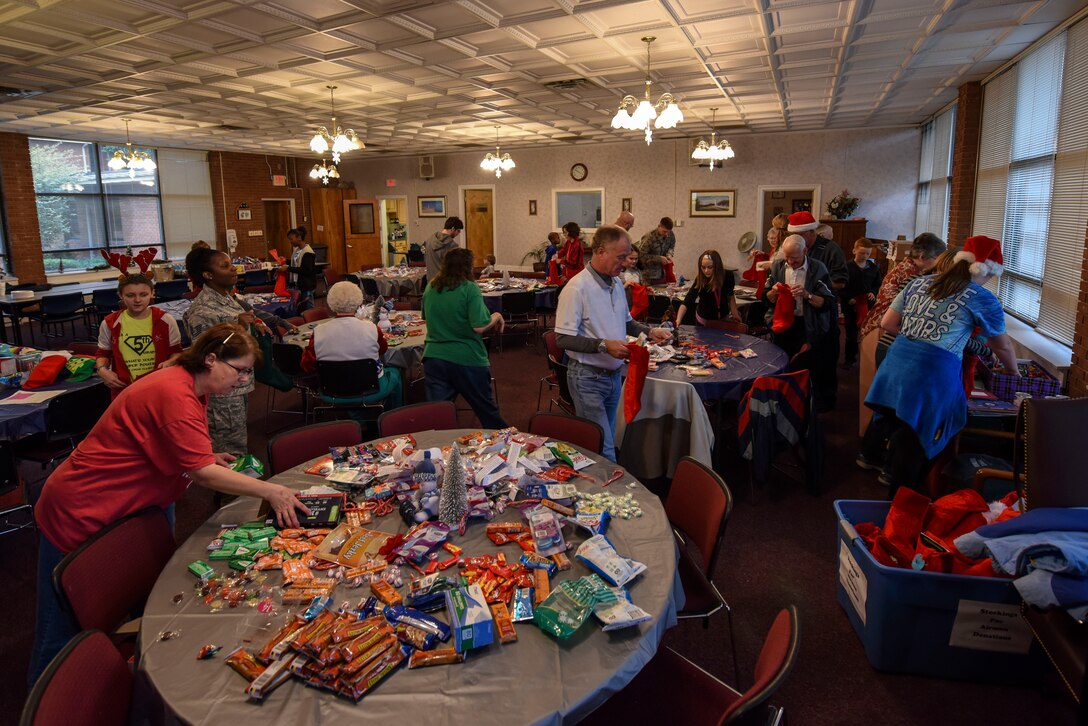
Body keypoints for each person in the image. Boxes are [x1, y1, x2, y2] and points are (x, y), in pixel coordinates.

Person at [29, 322, 310, 686]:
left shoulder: (192, 382)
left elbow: (181, 448)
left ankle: (142, 676)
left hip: (132, 505)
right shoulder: (174, 393)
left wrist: (205, 455)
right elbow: (203, 474)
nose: (243, 381)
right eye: (239, 370)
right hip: (84, 507)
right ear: (210, 359)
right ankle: (45, 704)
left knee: (143, 594)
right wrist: (272, 491)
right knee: (60, 632)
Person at [859, 235, 1019, 489]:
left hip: (894, 368)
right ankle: (902, 508)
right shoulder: (982, 297)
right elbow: (1002, 345)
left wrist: (919, 335)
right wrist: (1012, 370)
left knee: (902, 434)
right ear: (984, 271)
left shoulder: (919, 283)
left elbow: (888, 324)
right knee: (917, 448)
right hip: (931, 376)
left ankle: (895, 494)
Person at [555, 225, 672, 462]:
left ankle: (599, 491)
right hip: (587, 378)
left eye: (627, 256)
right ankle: (610, 495)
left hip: (613, 375)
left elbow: (627, 322)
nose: (627, 263)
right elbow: (562, 339)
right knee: (603, 448)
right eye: (620, 257)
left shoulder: (616, 283)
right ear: (599, 251)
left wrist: (650, 331)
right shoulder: (576, 288)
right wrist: (603, 345)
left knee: (605, 442)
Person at [183, 247, 295, 455]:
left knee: (237, 441)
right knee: (229, 449)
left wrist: (253, 326)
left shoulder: (227, 298)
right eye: (225, 266)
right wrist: (238, 326)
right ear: (208, 275)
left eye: (231, 263)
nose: (233, 269)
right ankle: (228, 487)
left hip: (237, 383)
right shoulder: (202, 310)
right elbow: (204, 354)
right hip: (221, 389)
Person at [857, 232, 947, 435]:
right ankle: (875, 447)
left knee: (885, 398)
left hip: (882, 331)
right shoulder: (914, 276)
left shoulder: (909, 269)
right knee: (889, 401)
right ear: (923, 256)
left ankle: (872, 447)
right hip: (885, 334)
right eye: (937, 259)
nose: (939, 265)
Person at [422, 247, 507, 429]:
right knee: (487, 412)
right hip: (466, 358)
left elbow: (425, 317)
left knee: (437, 416)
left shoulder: (431, 287)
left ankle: (437, 452)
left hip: (434, 357)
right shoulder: (470, 289)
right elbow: (479, 325)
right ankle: (510, 449)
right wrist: (497, 315)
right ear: (468, 266)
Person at [763, 236, 838, 410]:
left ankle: (805, 405)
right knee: (781, 363)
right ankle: (782, 401)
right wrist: (773, 293)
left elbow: (828, 302)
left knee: (807, 366)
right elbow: (765, 298)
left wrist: (807, 295)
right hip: (782, 325)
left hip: (807, 325)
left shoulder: (818, 268)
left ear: (805, 251)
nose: (790, 261)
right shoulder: (778, 267)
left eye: (794, 258)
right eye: (787, 257)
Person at [301, 281, 402, 409]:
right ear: (358, 301)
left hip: (332, 389)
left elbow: (307, 365)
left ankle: (355, 418)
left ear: (331, 303)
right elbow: (383, 350)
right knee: (395, 371)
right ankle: (393, 418)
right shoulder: (371, 328)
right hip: (371, 388)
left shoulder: (318, 332)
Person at [786, 210, 845, 410]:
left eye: (801, 236)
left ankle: (824, 402)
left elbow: (841, 281)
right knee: (799, 360)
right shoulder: (793, 249)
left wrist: (813, 288)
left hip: (823, 315)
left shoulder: (830, 249)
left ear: (811, 233)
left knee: (824, 360)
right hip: (798, 316)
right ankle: (797, 398)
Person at [95, 274, 183, 399]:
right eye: (130, 295)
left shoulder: (165, 320)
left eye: (143, 294)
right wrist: (102, 371)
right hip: (124, 390)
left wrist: (170, 362)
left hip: (160, 387)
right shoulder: (110, 323)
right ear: (120, 295)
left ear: (152, 293)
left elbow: (177, 352)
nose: (137, 300)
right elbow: (103, 353)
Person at [840, 239, 883, 370]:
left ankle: (867, 359)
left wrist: (873, 292)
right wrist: (848, 298)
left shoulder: (873, 268)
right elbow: (841, 286)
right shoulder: (846, 267)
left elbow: (877, 284)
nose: (864, 256)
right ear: (854, 251)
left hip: (867, 304)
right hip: (851, 304)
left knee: (868, 332)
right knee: (851, 333)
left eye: (867, 254)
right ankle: (850, 358)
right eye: (862, 253)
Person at [676, 250, 741, 326]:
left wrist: (735, 314)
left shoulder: (728, 276)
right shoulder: (700, 279)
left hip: (723, 319)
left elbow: (730, 296)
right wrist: (678, 319)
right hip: (704, 322)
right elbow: (688, 301)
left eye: (710, 267)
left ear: (717, 266)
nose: (706, 271)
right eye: (703, 267)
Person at [281, 227, 316, 312]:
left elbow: (306, 270)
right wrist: (287, 261)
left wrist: (288, 268)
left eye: (291, 239)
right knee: (301, 307)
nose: (290, 242)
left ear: (299, 238)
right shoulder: (297, 250)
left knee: (308, 308)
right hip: (298, 284)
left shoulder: (308, 252)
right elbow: (297, 263)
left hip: (306, 285)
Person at [638, 216, 676, 283]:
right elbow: (641, 256)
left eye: (668, 232)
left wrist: (669, 254)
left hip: (663, 273)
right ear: (659, 226)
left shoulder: (670, 234)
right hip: (649, 276)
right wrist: (658, 258)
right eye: (664, 231)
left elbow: (671, 247)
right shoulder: (649, 237)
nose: (667, 234)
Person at [424, 216, 463, 282]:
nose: (458, 233)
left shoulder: (429, 241)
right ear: (453, 229)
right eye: (458, 231)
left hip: (430, 282)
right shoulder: (452, 246)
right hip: (445, 283)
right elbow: (455, 268)